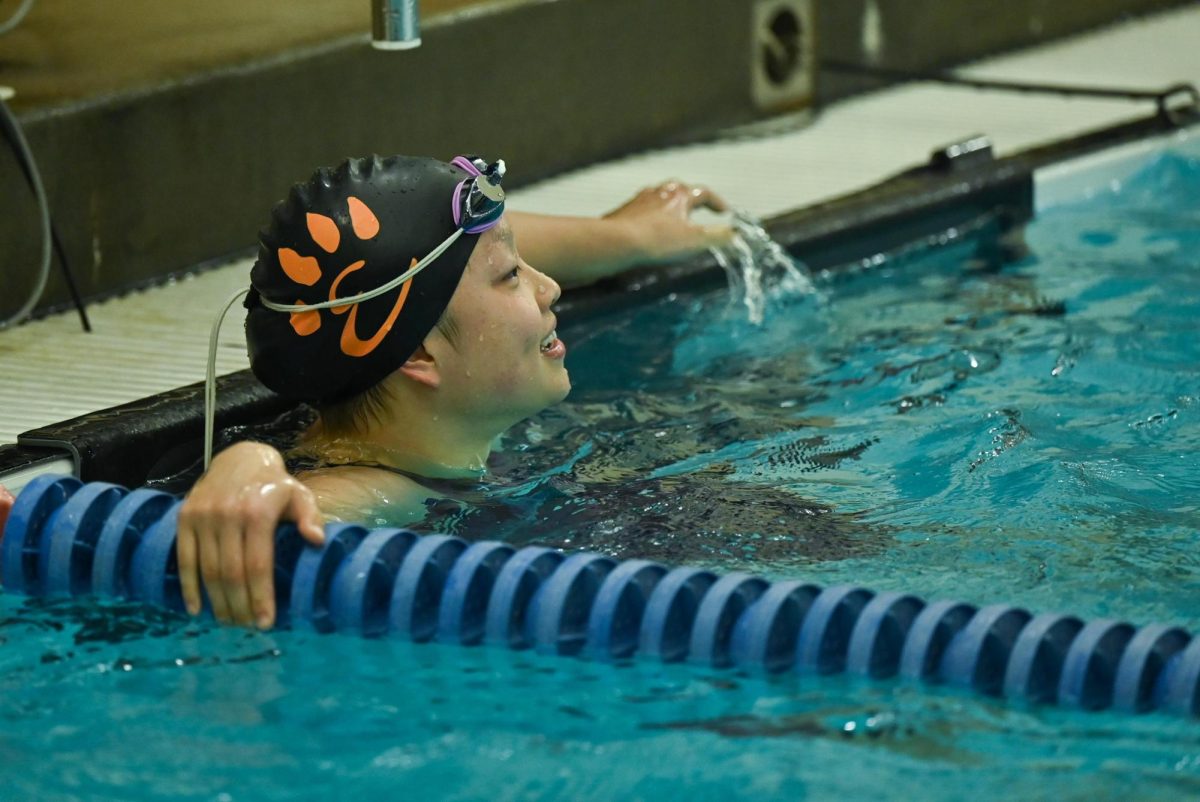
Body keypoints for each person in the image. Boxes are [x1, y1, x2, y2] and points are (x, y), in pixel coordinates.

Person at [174, 154, 732, 630]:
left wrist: (632, 238)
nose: (550, 287)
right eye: (512, 274)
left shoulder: (393, 420)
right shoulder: (378, 491)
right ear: (418, 354)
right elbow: (302, 510)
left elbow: (453, 261)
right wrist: (249, 469)